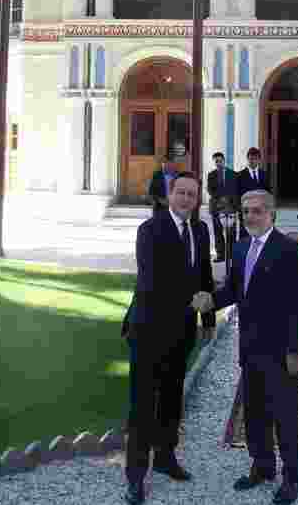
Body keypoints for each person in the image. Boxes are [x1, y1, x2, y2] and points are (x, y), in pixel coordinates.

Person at [192, 189, 298, 504]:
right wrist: (210, 302)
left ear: (272, 214)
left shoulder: (289, 250)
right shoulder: (242, 247)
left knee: (285, 416)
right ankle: (263, 467)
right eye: (245, 211)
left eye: (257, 211)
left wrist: (296, 350)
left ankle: (293, 478)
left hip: (280, 350)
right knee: (255, 414)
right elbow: (234, 290)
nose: (249, 216)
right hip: (250, 347)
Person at [121, 172, 214, 505]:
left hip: (183, 331)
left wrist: (208, 318)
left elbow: (204, 273)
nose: (187, 199)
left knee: (173, 398)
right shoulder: (150, 230)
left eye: (192, 194)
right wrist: (188, 303)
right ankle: (135, 476)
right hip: (149, 330)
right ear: (169, 194)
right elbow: (152, 281)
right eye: (182, 192)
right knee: (143, 405)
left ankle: (165, 457)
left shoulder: (200, 230)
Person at [208, 151, 239, 263]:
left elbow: (236, 190)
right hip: (216, 207)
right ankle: (220, 255)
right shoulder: (211, 175)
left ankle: (231, 255)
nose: (218, 163)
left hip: (230, 207)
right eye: (216, 161)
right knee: (218, 232)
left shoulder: (233, 174)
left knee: (231, 232)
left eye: (220, 161)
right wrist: (220, 199)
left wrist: (228, 199)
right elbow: (210, 190)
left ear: (224, 161)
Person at [237, 147, 271, 239]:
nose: (252, 161)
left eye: (255, 159)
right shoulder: (240, 175)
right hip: (246, 212)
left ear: (259, 160)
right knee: (245, 238)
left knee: (260, 236)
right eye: (250, 158)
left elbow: (268, 193)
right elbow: (237, 195)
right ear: (247, 159)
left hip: (260, 212)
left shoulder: (264, 175)